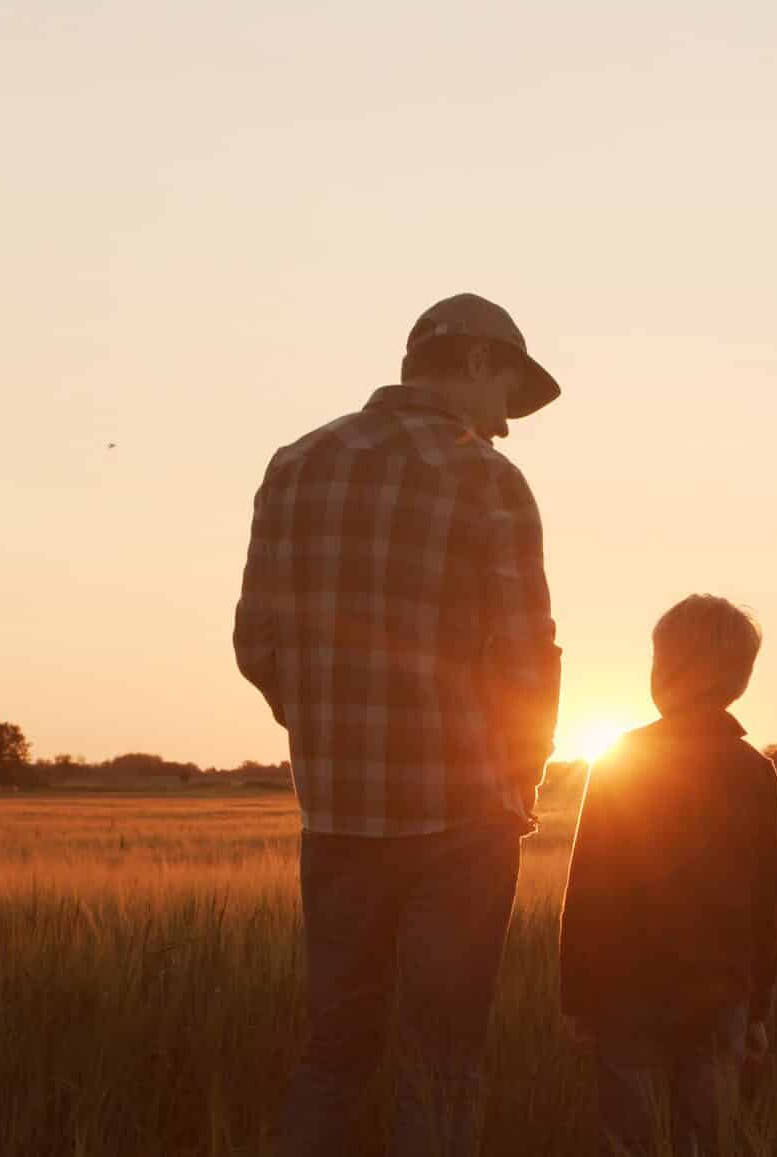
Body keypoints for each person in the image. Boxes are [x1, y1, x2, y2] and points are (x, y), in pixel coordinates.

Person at [234, 293, 564, 1156]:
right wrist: (515, 787)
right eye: (508, 400)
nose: (505, 426)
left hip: (338, 817)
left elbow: (256, 641)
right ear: (480, 363)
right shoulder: (485, 479)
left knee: (334, 1054)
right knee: (442, 1059)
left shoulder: (295, 464)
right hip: (463, 820)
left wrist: (325, 727)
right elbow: (529, 656)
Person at [558, 595, 777, 1157]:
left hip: (623, 990)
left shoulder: (621, 760)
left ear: (664, 672)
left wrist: (576, 994)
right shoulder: (754, 772)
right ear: (740, 679)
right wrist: (757, 1009)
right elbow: (766, 905)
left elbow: (585, 885)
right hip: (718, 992)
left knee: (630, 1138)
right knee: (708, 1138)